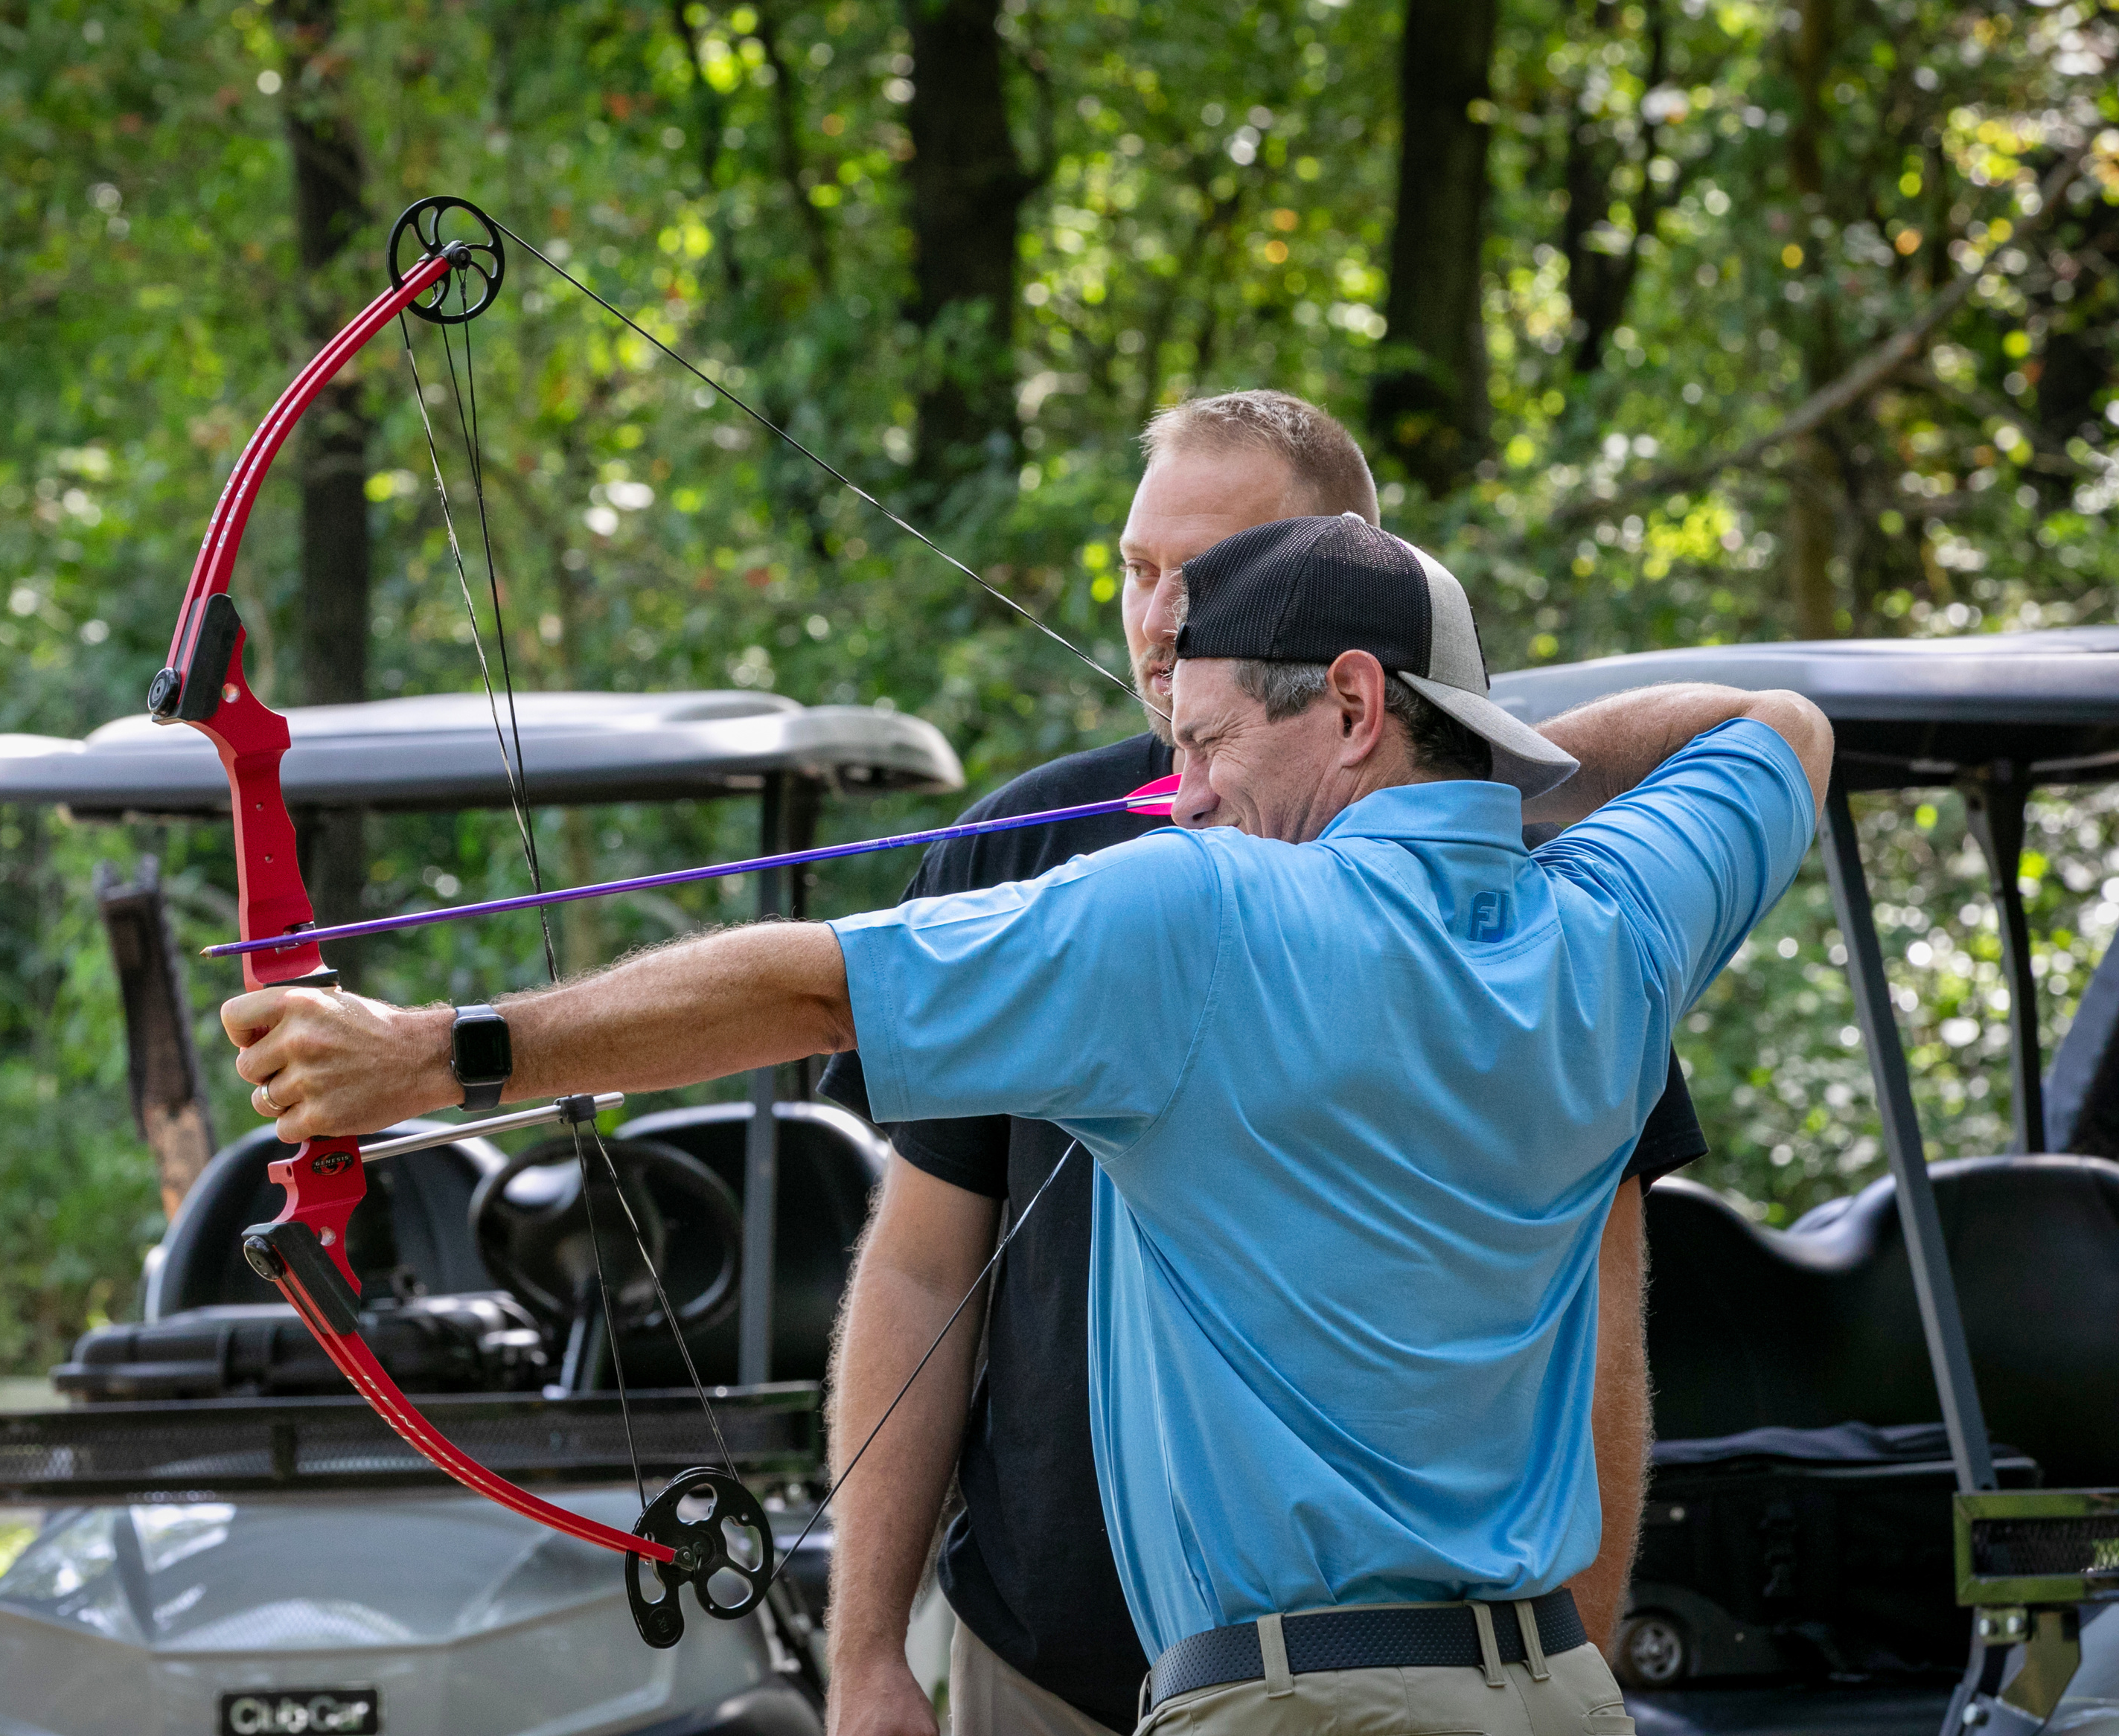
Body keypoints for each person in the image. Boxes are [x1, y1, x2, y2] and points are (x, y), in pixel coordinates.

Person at [226, 513, 1830, 1736]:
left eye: (1202, 744)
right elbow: (1775, 725)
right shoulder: (1612, 927)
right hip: (1548, 1696)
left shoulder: (1200, 908)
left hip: (1296, 1710)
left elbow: (809, 993)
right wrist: (1493, 777)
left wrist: (435, 1054)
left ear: (1349, 703)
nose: (1181, 787)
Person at [819, 392, 1715, 1736]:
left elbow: (1602, 1305)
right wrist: (867, 1649)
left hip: (1378, 1676)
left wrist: (1569, 1655)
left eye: (1209, 569)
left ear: (1349, 591)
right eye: (1138, 568)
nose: (1160, 616)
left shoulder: (1520, 896)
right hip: (1044, 1657)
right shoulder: (1022, 847)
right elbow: (922, 1264)